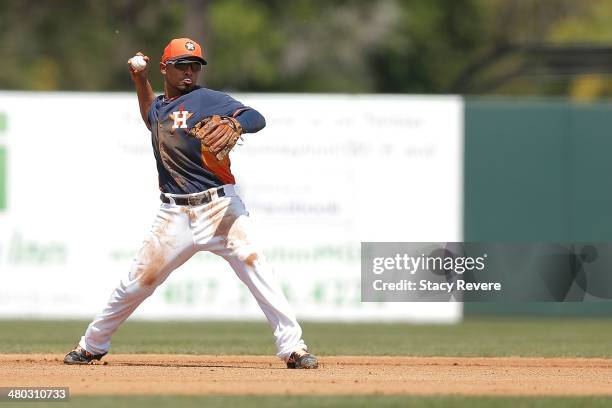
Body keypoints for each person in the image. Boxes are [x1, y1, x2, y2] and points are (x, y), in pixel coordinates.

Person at [63, 38, 318, 369]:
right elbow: (149, 115)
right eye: (182, 64)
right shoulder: (161, 108)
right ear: (165, 68)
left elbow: (257, 117)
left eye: (195, 65)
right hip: (174, 214)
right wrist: (139, 80)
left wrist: (237, 123)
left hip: (219, 209)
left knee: (256, 267)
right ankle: (92, 345)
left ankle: (293, 348)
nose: (190, 71)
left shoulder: (207, 99)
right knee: (137, 282)